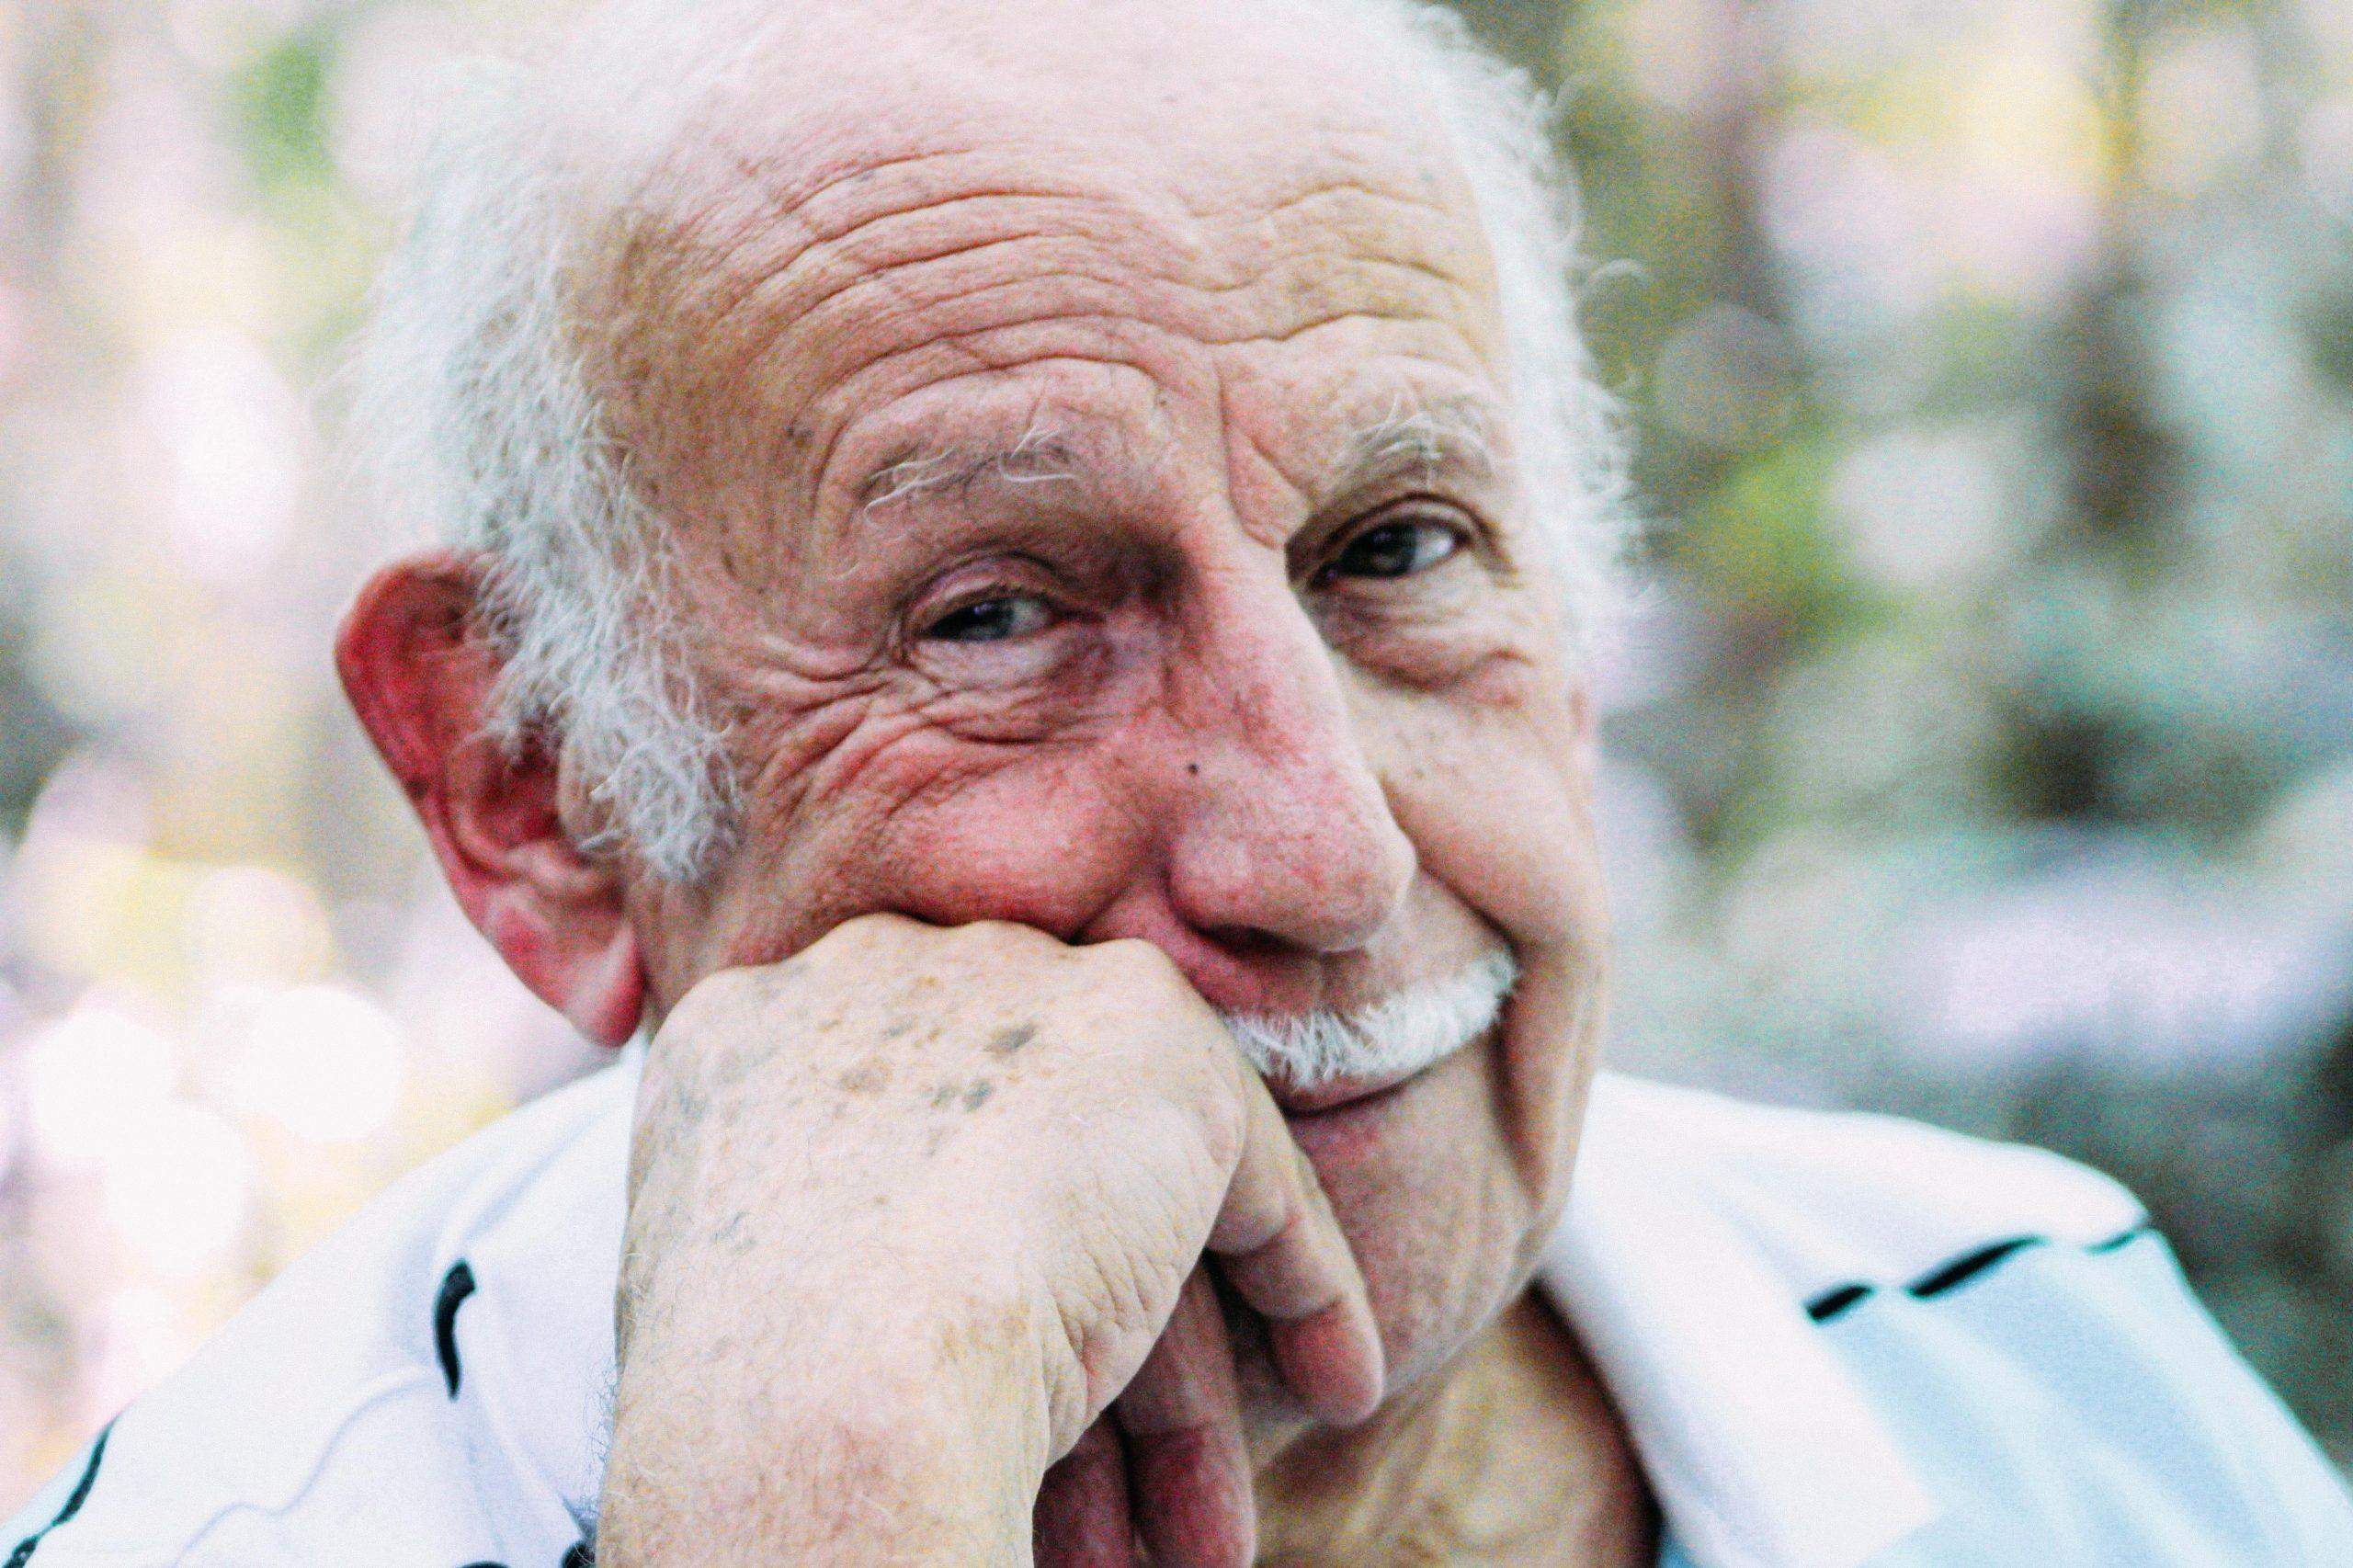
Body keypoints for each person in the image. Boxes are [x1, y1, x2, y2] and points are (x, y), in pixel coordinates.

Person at [9, 0, 2349, 1563]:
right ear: (533, 792)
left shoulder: (2039, 1349)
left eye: (1395, 548)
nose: (1323, 852)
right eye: (996, 615)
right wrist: (817, 1495)